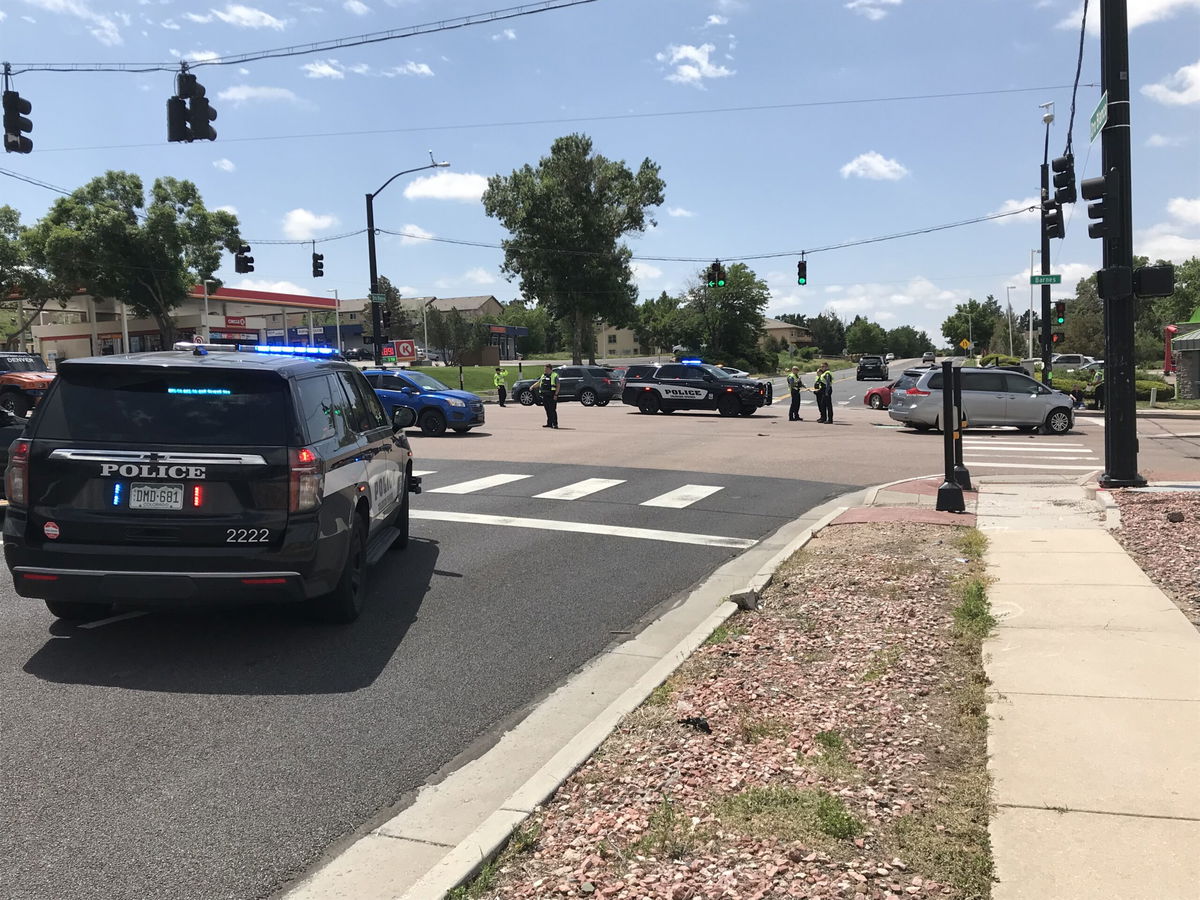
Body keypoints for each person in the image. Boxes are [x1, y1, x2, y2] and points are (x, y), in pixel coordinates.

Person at [538, 363, 559, 428]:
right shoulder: (543, 375)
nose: (545, 370)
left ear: (550, 369)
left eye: (546, 369)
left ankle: (555, 424)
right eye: (545, 369)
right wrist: (532, 386)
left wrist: (556, 394)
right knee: (547, 410)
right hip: (545, 395)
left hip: (552, 395)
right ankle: (549, 423)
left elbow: (558, 386)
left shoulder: (554, 375)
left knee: (552, 410)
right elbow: (539, 382)